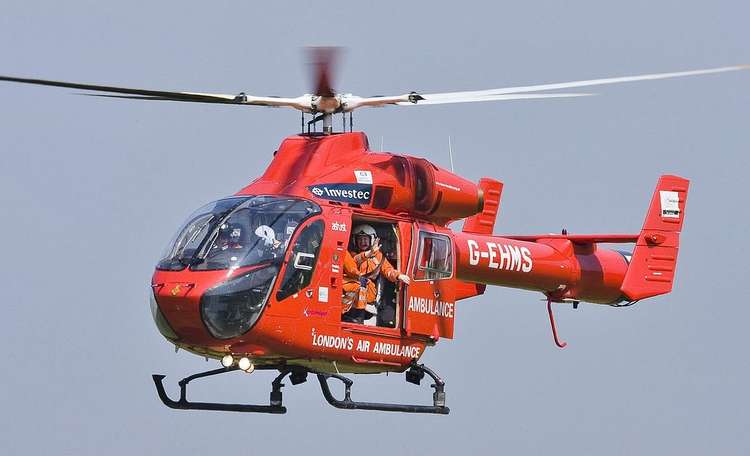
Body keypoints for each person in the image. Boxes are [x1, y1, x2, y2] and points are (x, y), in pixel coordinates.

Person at [342, 224, 410, 324]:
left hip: (368, 293)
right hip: (349, 292)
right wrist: (367, 254)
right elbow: (353, 263)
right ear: (354, 240)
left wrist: (398, 275)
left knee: (362, 284)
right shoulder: (351, 255)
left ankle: (359, 318)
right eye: (360, 239)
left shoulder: (378, 256)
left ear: (372, 240)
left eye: (365, 239)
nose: (363, 242)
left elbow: (388, 270)